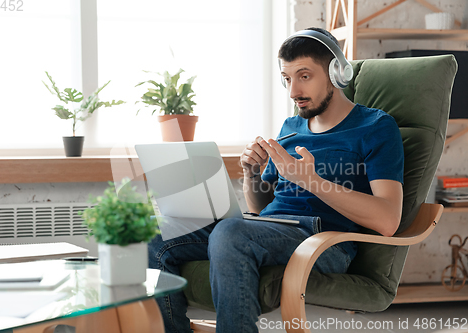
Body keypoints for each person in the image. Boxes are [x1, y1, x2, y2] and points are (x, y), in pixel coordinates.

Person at [148, 27, 404, 333]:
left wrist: (312, 181)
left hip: (324, 241)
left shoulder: (376, 126)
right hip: (267, 229)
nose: (293, 90)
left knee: (230, 232)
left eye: (304, 76)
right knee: (152, 232)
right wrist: (251, 173)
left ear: (336, 73)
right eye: (287, 78)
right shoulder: (291, 126)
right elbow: (260, 207)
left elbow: (388, 219)